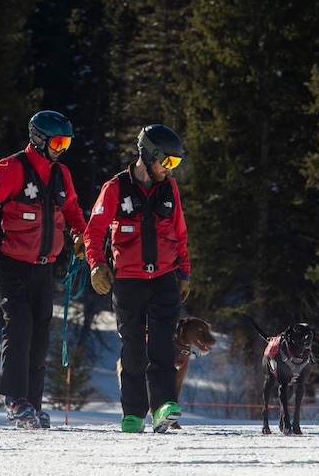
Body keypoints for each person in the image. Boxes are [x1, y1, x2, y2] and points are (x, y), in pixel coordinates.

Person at [0, 110, 86, 429]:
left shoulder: (61, 174)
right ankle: (15, 401)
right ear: (39, 139)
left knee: (41, 331)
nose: (62, 149)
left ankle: (32, 405)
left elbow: (70, 208)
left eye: (67, 143)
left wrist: (80, 234)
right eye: (58, 142)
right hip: (8, 263)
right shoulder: (12, 168)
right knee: (19, 322)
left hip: (43, 267)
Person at [84, 123, 191, 434]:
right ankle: (133, 414)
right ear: (149, 155)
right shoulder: (115, 188)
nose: (170, 170)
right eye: (168, 162)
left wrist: (184, 271)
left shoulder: (170, 190)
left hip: (164, 279)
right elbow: (94, 231)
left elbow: (180, 233)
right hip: (129, 282)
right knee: (133, 348)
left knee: (162, 346)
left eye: (176, 164)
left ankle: (163, 407)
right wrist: (96, 264)